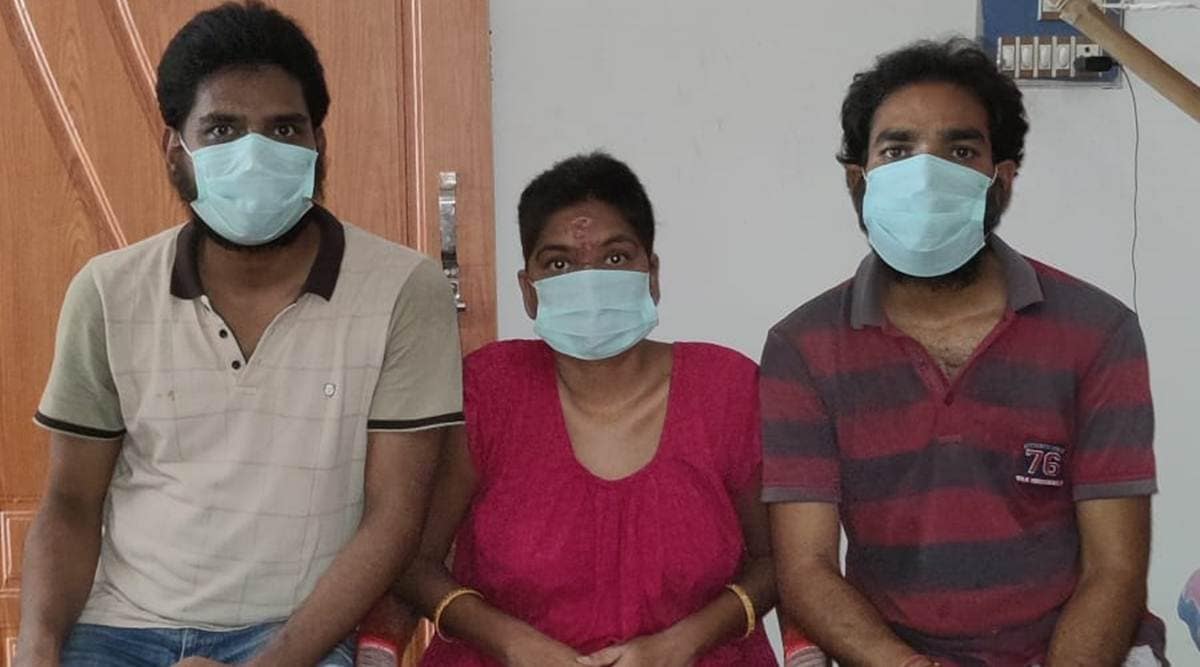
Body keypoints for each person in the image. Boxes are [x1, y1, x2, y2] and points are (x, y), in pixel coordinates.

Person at [15, 3, 462, 666]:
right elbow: (71, 502)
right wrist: (37, 648)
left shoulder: (404, 289)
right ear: (177, 151)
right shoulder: (107, 291)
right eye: (222, 129)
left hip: (296, 635)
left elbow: (394, 520)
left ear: (318, 146)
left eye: (284, 129)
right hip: (121, 631)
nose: (256, 155)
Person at [761, 38, 1165, 667]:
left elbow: (1113, 571)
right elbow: (807, 568)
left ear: (1002, 178)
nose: (926, 175)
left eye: (960, 151)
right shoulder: (803, 347)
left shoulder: (1098, 331)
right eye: (897, 150)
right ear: (858, 180)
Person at [396, 152, 782, 666]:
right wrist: (511, 642)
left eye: (616, 258)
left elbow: (779, 560)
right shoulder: (489, 388)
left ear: (653, 275)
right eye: (559, 264)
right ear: (528, 291)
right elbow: (413, 561)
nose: (590, 281)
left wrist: (681, 644)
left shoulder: (727, 388)